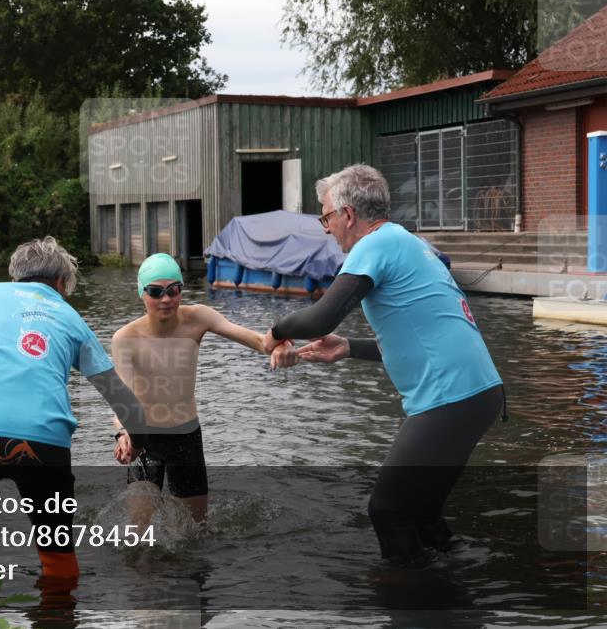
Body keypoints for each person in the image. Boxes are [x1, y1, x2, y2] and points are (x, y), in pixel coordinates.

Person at [264, 164, 505, 564]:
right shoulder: (409, 242)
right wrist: (347, 348)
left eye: (326, 217)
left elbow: (320, 319)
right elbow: (419, 336)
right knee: (423, 511)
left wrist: (274, 333)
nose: (326, 228)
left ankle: (405, 593)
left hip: (449, 399)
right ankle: (458, 579)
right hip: (480, 394)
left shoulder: (373, 245)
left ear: (348, 214)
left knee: (387, 511)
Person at [0, 236, 147, 605]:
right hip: (45, 443)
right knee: (57, 548)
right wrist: (136, 440)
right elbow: (120, 395)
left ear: (14, 276)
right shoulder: (71, 317)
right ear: (61, 283)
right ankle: (58, 614)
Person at [111, 253, 270, 526]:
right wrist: (123, 433)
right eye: (156, 291)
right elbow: (122, 399)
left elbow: (257, 340)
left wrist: (280, 344)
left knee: (195, 531)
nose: (166, 299)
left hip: (186, 439)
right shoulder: (126, 338)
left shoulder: (198, 318)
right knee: (137, 535)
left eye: (173, 290)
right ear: (141, 292)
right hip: (145, 441)